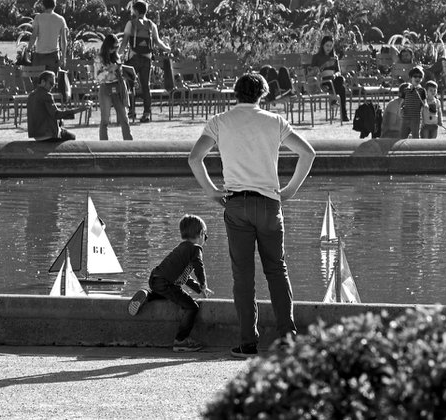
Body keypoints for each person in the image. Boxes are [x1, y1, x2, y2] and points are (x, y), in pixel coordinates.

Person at [188, 73, 316, 358]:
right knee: (277, 270)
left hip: (236, 204)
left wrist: (211, 191)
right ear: (263, 94)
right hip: (270, 203)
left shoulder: (219, 121)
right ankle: (287, 338)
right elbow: (308, 153)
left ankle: (248, 342)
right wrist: (290, 189)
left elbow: (194, 159)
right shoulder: (274, 122)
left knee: (243, 276)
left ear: (235, 93)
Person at [127, 214, 213, 352]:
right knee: (192, 307)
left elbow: (185, 277)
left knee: (164, 295)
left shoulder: (181, 248)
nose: (205, 239)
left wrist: (198, 289)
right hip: (168, 283)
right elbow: (199, 267)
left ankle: (147, 294)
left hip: (156, 279)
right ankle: (180, 341)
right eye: (206, 236)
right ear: (202, 234)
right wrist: (204, 285)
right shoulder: (195, 249)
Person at [120, 0, 171, 123]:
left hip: (133, 58)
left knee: (128, 84)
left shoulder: (131, 24)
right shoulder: (151, 25)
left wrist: (117, 54)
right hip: (147, 59)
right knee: (145, 87)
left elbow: (125, 41)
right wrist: (167, 48)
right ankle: (146, 113)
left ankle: (131, 111)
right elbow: (158, 42)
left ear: (136, 11)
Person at [27, 70, 88, 141]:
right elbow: (56, 114)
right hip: (48, 134)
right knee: (72, 137)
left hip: (36, 135)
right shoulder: (46, 95)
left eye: (54, 84)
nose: (52, 87)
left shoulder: (31, 95)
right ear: (43, 82)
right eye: (51, 83)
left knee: (64, 130)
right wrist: (78, 110)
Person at [95, 35, 133, 141]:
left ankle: (129, 143)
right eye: (113, 47)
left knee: (124, 117)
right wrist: (109, 70)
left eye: (117, 47)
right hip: (105, 87)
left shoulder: (116, 57)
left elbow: (120, 72)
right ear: (108, 47)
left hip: (118, 86)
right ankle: (104, 144)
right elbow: (98, 78)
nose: (115, 50)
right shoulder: (99, 58)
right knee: (105, 119)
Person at [310, 35, 349, 121]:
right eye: (327, 45)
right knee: (341, 88)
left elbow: (338, 71)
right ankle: (342, 112)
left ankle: (339, 107)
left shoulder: (335, 57)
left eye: (331, 46)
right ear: (322, 45)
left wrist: (335, 75)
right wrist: (320, 69)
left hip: (334, 80)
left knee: (340, 80)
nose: (329, 48)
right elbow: (312, 72)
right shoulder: (316, 57)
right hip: (323, 81)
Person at [27, 0, 68, 73]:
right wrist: (63, 57)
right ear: (54, 5)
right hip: (53, 55)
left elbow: (33, 36)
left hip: (39, 54)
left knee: (38, 80)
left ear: (43, 5)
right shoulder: (61, 19)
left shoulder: (38, 18)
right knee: (52, 81)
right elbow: (63, 41)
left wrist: (28, 50)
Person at [399, 66, 426, 139]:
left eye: (420, 77)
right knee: (402, 137)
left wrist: (426, 106)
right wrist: (400, 110)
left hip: (415, 118)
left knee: (416, 137)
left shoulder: (422, 90)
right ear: (411, 77)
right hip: (406, 117)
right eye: (415, 76)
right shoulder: (406, 90)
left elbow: (424, 103)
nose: (418, 78)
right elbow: (402, 102)